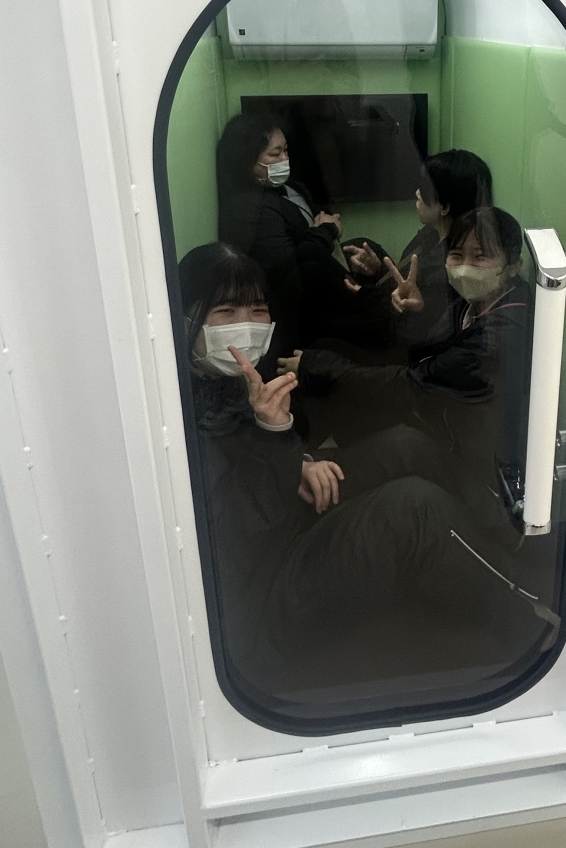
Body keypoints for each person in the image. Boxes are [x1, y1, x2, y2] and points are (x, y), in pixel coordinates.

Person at [179, 241, 549, 700]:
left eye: (257, 310)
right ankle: (533, 626)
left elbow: (257, 458)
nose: (247, 325)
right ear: (185, 318)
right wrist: (277, 440)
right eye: (226, 311)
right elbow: (241, 532)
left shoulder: (220, 378)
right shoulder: (173, 410)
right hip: (261, 597)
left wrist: (297, 458)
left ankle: (500, 537)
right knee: (414, 508)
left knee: (405, 444)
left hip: (280, 507)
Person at [282, 208, 533, 549]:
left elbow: (414, 381)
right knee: (343, 376)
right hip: (446, 427)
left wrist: (316, 367)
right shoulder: (474, 301)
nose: (465, 267)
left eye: (480, 257)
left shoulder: (501, 334)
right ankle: (306, 480)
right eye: (457, 255)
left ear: (514, 266)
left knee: (399, 442)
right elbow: (422, 355)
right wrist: (416, 312)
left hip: (484, 482)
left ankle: (307, 502)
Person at [216, 112, 390, 349]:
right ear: (248, 162)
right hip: (303, 305)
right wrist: (327, 231)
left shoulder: (290, 188)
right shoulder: (251, 210)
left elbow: (313, 223)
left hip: (322, 271)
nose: (285, 159)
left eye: (286, 150)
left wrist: (331, 233)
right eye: (275, 154)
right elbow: (293, 268)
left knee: (365, 247)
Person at [345, 149, 494, 353]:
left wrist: (367, 295)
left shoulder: (451, 268)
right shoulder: (432, 233)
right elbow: (405, 283)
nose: (417, 193)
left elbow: (409, 336)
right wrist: (378, 271)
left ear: (444, 207)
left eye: (425, 189)